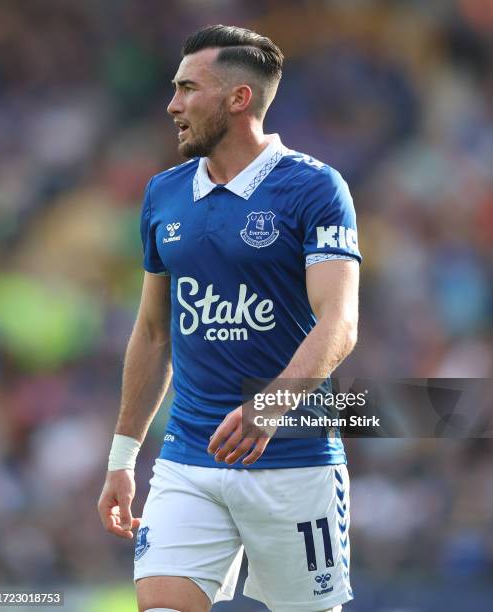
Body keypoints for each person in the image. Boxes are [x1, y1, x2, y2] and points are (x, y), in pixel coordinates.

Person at [98, 24, 361, 612]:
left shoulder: (315, 188)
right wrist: (123, 457)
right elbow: (152, 331)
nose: (172, 105)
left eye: (188, 89)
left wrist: (269, 408)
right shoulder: (163, 195)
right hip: (188, 457)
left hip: (293, 456)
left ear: (239, 99)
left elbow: (339, 322)